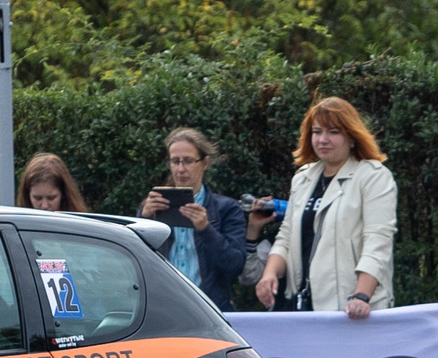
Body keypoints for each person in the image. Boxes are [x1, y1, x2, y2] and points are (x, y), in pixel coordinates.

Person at [255, 97, 397, 319]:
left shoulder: (374, 176)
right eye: (316, 131)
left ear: (351, 136)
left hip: (354, 311)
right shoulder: (302, 179)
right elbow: (286, 236)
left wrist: (361, 296)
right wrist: (269, 274)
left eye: (333, 132)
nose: (323, 140)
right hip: (302, 309)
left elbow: (378, 242)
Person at [138, 128, 248, 311]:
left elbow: (235, 266)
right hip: (164, 308)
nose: (181, 169)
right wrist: (143, 220)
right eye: (175, 161)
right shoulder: (153, 207)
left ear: (205, 163)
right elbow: (138, 262)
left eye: (188, 161)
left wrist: (206, 230)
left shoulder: (226, 208)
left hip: (210, 310)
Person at [15, 153, 89, 213]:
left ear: (63, 194)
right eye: (37, 198)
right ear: (27, 195)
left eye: (51, 198)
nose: (44, 206)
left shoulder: (79, 226)